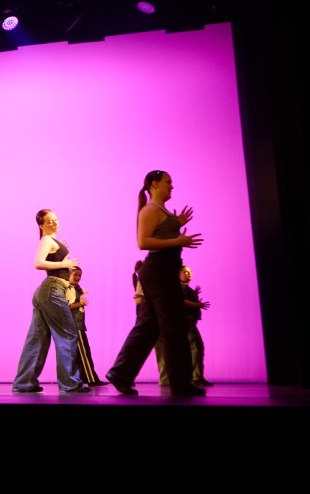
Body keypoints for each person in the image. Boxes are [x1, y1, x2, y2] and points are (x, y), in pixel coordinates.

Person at [105, 170, 205, 397]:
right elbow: (143, 242)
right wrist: (178, 240)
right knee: (174, 326)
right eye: (168, 182)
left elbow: (161, 234)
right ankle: (180, 384)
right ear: (154, 184)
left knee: (148, 327)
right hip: (159, 272)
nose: (172, 186)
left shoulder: (160, 211)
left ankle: (120, 374)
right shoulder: (150, 210)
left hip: (161, 271)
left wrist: (176, 223)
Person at [11, 210, 88, 393]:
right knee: (68, 335)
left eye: (56, 220)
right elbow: (38, 263)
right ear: (41, 225)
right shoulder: (46, 240)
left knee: (37, 339)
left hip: (47, 292)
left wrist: (61, 255)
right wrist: (64, 264)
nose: (54, 223)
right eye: (50, 221)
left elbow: (51, 261)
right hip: (52, 291)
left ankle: (24, 383)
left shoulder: (52, 241)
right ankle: (70, 384)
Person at [154, 265, 213, 387]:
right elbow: (180, 302)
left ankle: (193, 376)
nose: (189, 273)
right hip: (185, 321)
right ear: (178, 274)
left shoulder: (186, 288)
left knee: (192, 347)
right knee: (196, 345)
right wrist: (197, 305)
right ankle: (196, 377)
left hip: (187, 321)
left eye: (190, 271)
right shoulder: (179, 287)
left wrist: (194, 297)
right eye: (185, 272)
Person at [66, 267, 107, 387]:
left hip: (79, 325)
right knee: (84, 353)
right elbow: (66, 306)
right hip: (75, 326)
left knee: (82, 353)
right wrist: (81, 303)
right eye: (75, 274)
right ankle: (91, 379)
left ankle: (85, 378)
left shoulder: (76, 288)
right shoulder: (69, 288)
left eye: (79, 275)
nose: (78, 277)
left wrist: (81, 295)